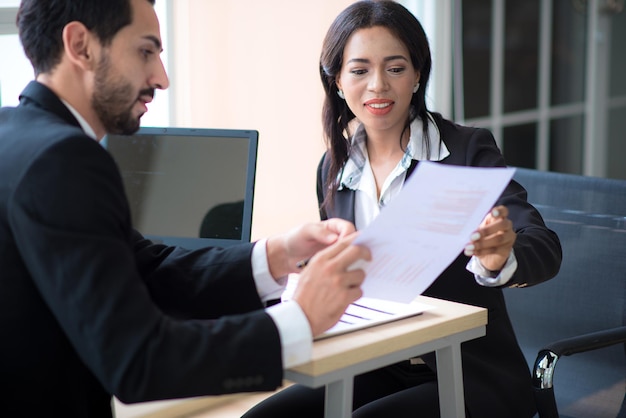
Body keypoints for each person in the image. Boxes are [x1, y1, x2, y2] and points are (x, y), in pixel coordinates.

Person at [0, 1, 371, 417]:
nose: (161, 78)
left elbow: (147, 266)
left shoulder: (12, 135)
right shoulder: (65, 158)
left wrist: (276, 254)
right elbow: (139, 360)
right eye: (145, 51)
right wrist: (301, 319)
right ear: (80, 46)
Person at [242, 1, 562, 417]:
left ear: (416, 75)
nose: (378, 85)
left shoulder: (464, 151)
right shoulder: (334, 169)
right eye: (359, 70)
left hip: (471, 373)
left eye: (395, 68)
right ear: (337, 81)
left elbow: (545, 246)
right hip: (376, 362)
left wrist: (503, 256)